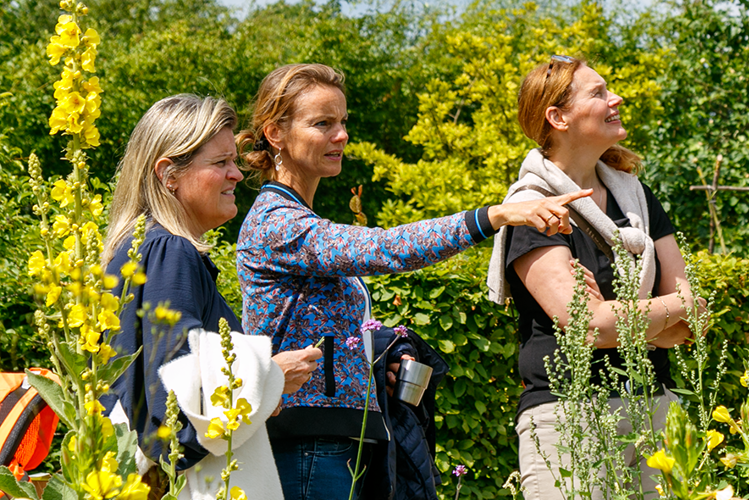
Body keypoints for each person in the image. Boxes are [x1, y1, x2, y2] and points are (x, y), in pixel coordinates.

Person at [234, 63, 590, 500]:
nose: (341, 135)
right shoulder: (276, 221)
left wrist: (376, 363)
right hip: (306, 444)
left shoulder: (299, 218)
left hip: (334, 440)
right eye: (322, 123)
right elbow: (384, 249)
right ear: (275, 134)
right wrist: (493, 215)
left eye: (343, 122)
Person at [486, 55, 704, 499]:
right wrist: (658, 319)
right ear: (558, 117)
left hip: (655, 409)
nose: (615, 98)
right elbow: (587, 326)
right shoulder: (533, 208)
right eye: (599, 93)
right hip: (569, 418)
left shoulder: (637, 198)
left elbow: (693, 318)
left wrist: (620, 319)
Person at [101, 94, 322, 499]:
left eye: (234, 161)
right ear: (169, 174)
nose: (237, 175)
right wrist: (270, 376)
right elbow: (173, 417)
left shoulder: (140, 252)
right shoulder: (171, 253)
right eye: (220, 163)